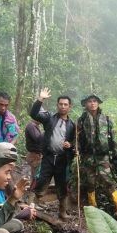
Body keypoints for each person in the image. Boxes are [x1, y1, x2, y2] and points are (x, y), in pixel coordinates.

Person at [30, 88, 75, 221]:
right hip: (49, 157)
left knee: (62, 186)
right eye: (60, 104)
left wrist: (70, 145)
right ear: (57, 105)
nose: (63, 106)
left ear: (69, 107)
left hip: (62, 160)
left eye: (65, 104)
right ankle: (31, 207)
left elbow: (74, 143)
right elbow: (33, 114)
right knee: (41, 181)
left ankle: (62, 212)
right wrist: (40, 99)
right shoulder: (49, 118)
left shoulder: (72, 125)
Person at [77, 94, 117, 218]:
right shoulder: (81, 119)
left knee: (108, 180)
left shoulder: (106, 118)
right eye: (89, 101)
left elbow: (113, 137)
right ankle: (93, 209)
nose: (92, 103)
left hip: (102, 156)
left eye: (95, 101)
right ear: (85, 104)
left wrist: (116, 154)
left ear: (98, 103)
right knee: (90, 182)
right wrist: (76, 150)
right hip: (87, 156)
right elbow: (76, 137)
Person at [24, 119, 44, 191]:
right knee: (35, 177)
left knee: (35, 176)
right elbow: (38, 139)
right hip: (34, 155)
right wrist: (47, 132)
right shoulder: (31, 126)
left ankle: (30, 196)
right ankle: (29, 196)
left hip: (35, 155)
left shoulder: (35, 126)